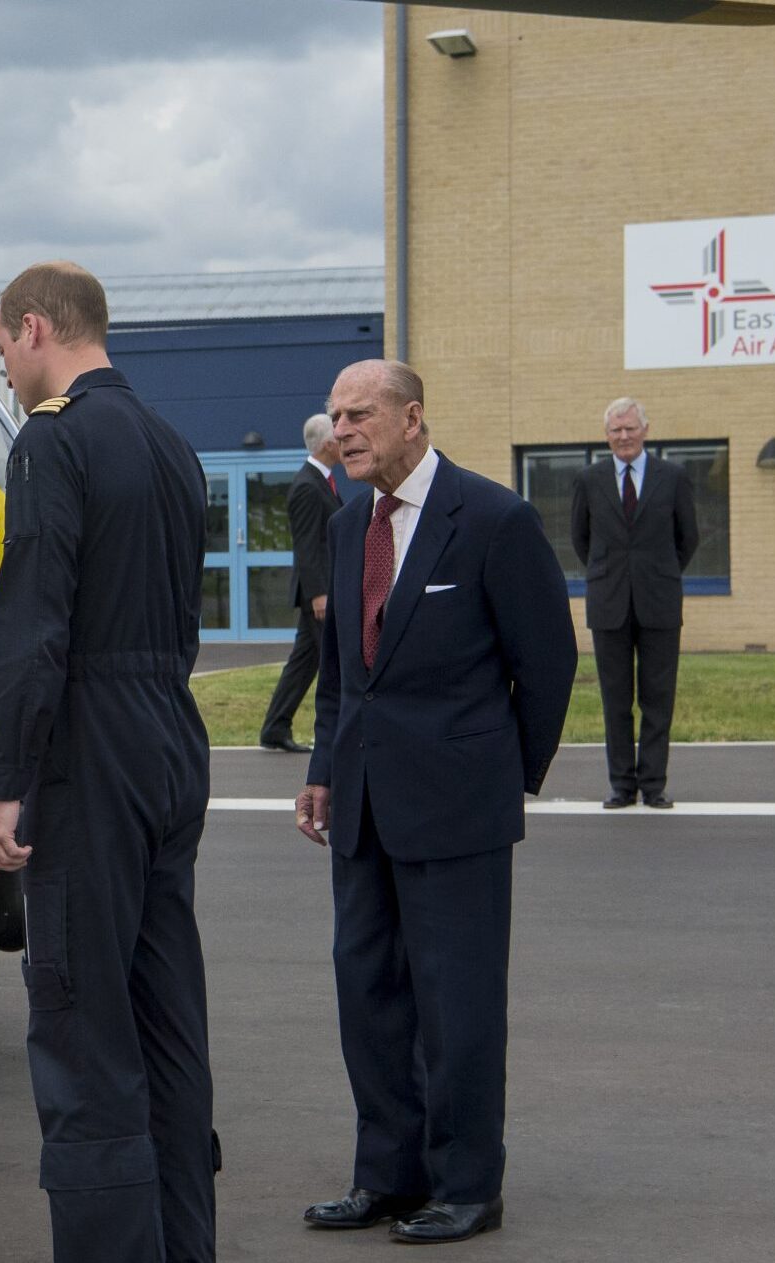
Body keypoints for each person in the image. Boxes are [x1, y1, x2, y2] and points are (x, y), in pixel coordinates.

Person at [293, 360, 575, 1245]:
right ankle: (388, 1173)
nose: (344, 429)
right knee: (368, 995)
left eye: (361, 413)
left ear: (413, 418)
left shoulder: (493, 518)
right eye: (337, 415)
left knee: (456, 1005)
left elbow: (548, 665)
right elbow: (344, 672)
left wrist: (497, 776)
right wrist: (323, 768)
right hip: (364, 809)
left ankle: (466, 1184)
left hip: (459, 815)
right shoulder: (349, 526)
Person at [0, 261, 217, 1263]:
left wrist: (6, 782)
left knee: (79, 1021)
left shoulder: (53, 440)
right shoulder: (169, 444)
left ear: (34, 328)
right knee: (165, 1015)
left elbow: (33, 630)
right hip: (167, 728)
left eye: (0, 352)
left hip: (90, 745)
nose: (4, 375)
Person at [569, 397, 698, 809]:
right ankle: (622, 786)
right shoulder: (589, 480)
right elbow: (580, 540)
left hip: (659, 601)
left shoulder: (672, 476)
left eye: (629, 428)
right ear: (606, 435)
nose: (623, 436)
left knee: (658, 698)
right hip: (609, 604)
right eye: (615, 430)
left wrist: (658, 573)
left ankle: (654, 784)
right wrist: (612, 575)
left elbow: (688, 538)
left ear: (645, 430)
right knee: (616, 699)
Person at [259, 413, 346, 754]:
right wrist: (320, 594)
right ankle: (340, 734)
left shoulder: (319, 482)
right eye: (339, 438)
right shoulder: (308, 486)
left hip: (319, 591)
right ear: (327, 445)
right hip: (319, 594)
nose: (344, 441)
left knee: (303, 663)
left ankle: (274, 727)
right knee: (335, 666)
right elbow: (308, 545)